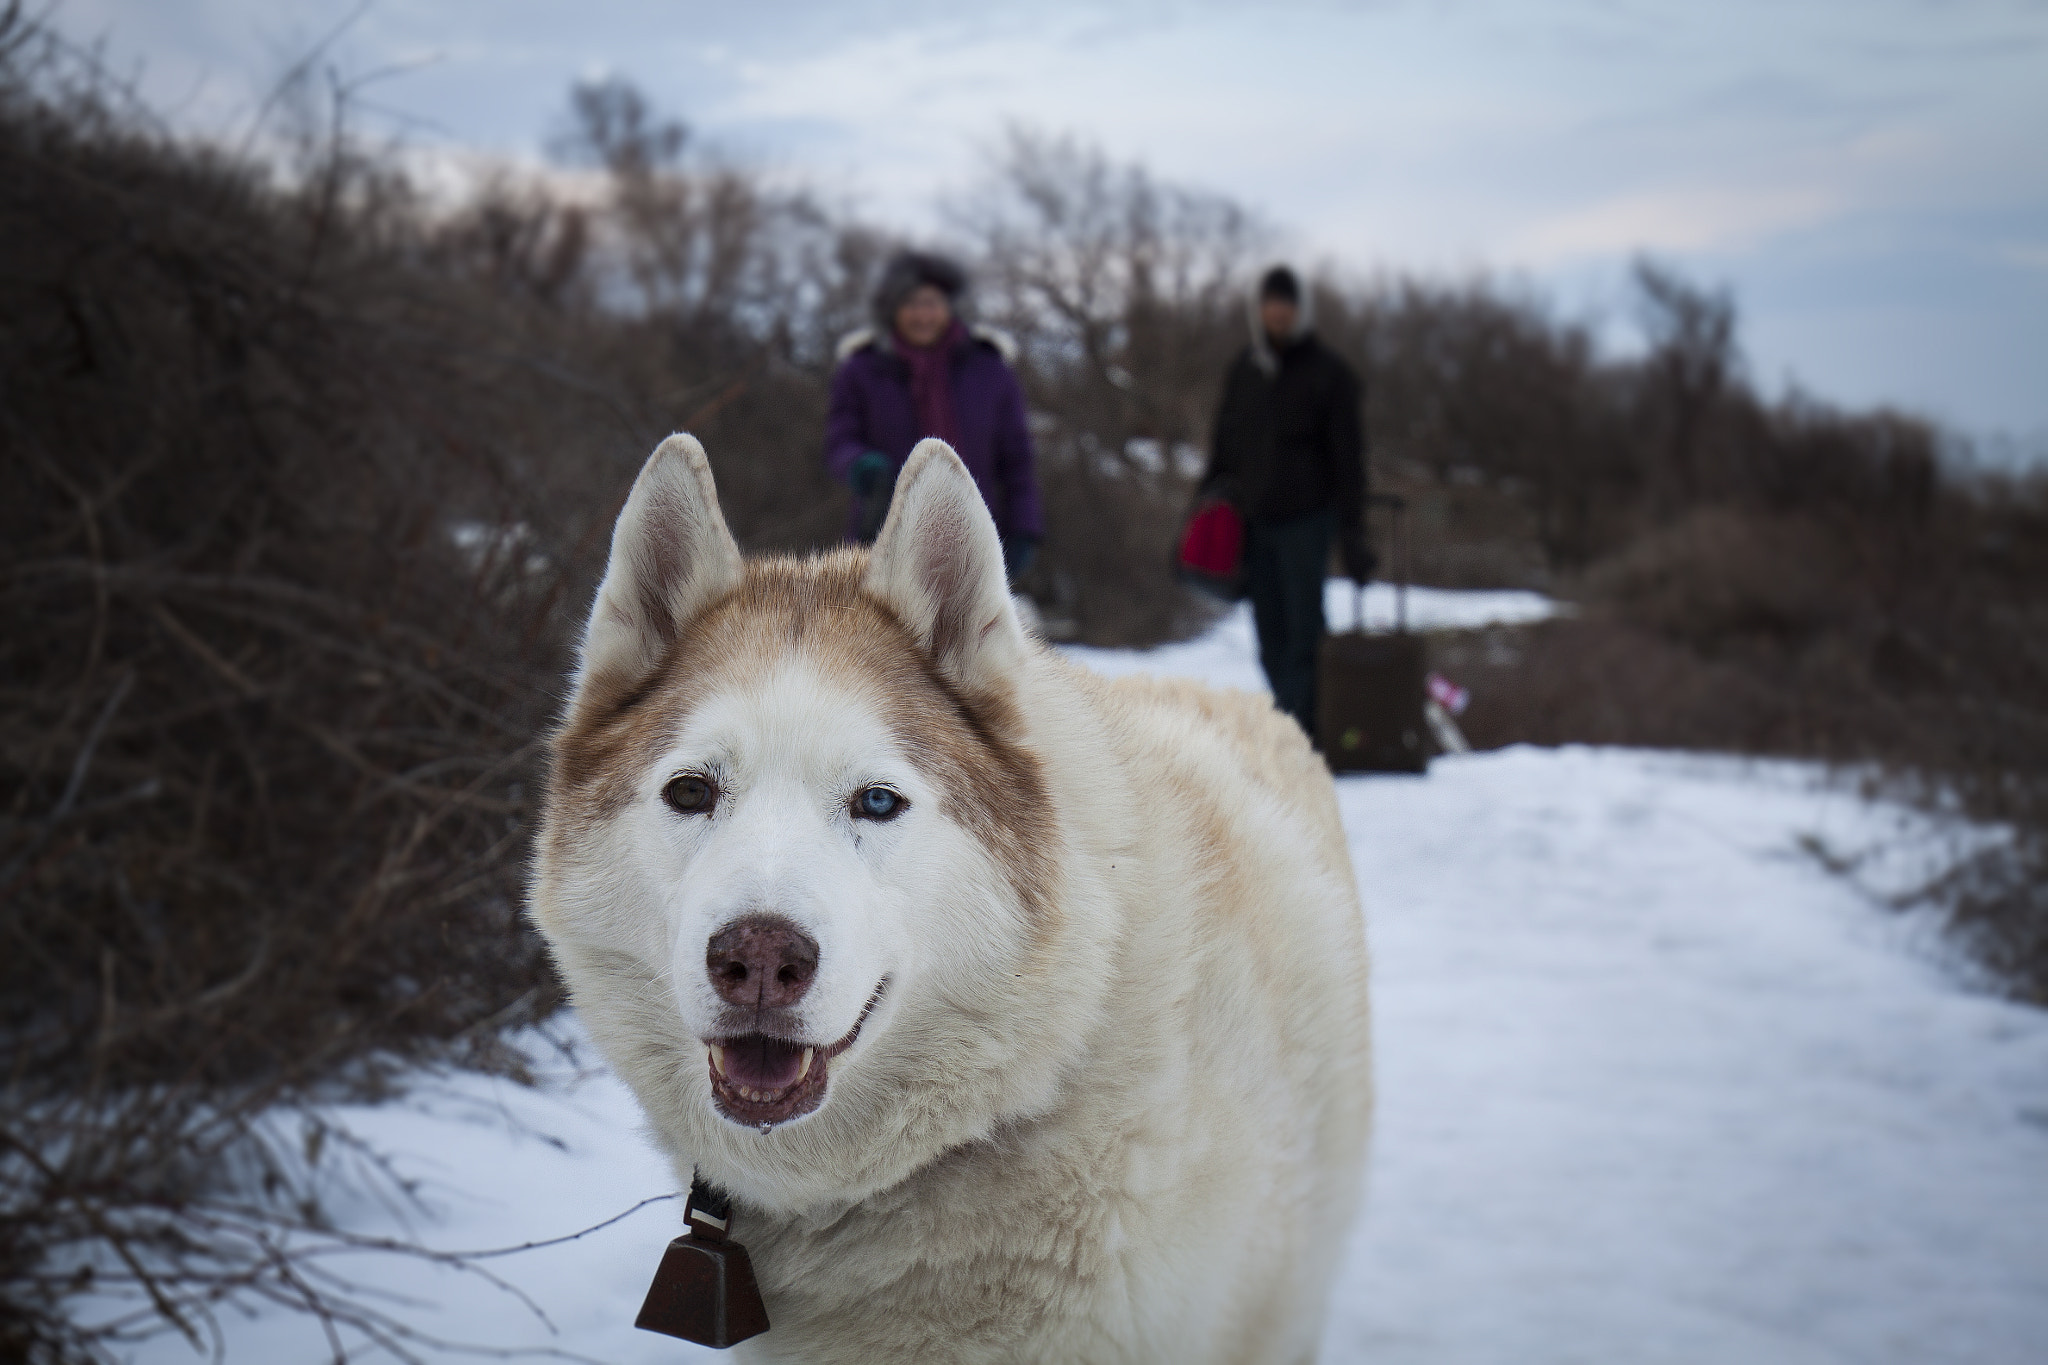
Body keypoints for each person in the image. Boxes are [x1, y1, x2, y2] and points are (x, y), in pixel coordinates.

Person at [1200, 265, 1372, 737]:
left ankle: (1306, 734)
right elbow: (1225, 442)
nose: (1277, 311)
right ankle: (1290, 722)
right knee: (1269, 635)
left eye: (1286, 302)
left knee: (1304, 634)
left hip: (1307, 520)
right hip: (1253, 521)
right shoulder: (1246, 368)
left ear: (1300, 309)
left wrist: (1354, 532)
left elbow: (1349, 459)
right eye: (1270, 302)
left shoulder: (1330, 373)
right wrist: (1206, 503)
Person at [824, 251, 1043, 581]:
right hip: (884, 530)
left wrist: (1024, 526)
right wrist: (858, 464)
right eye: (911, 304)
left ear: (950, 308)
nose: (922, 315)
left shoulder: (991, 369)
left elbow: (1017, 460)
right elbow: (840, 439)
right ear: (893, 310)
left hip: (973, 530)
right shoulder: (861, 369)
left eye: (932, 303)